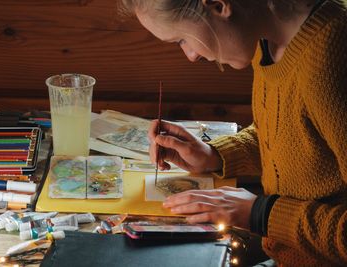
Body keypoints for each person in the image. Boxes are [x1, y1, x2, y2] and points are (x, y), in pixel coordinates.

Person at [119, 0, 347, 266]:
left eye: (181, 39)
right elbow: (295, 139)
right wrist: (213, 155)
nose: (191, 55)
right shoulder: (268, 42)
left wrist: (261, 214)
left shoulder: (332, 58)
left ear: (218, 5)